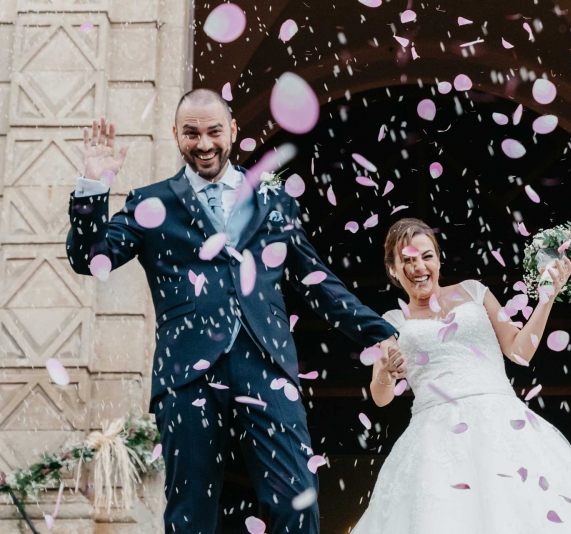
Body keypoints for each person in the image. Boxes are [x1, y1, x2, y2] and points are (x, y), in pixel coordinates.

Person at [65, 89, 404, 534]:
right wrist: (94, 186)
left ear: (233, 132)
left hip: (265, 363)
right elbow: (90, 258)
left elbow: (317, 282)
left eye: (213, 132)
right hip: (187, 371)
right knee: (191, 511)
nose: (203, 144)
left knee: (296, 497)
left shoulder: (273, 199)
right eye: (191, 133)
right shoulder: (153, 203)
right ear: (176, 135)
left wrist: (378, 331)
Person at [351, 218, 571, 534]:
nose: (419, 266)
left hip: (503, 425)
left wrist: (546, 298)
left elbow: (520, 351)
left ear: (437, 259)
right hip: (434, 440)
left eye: (426, 256)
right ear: (392, 269)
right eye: (407, 260)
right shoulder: (391, 321)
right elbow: (380, 397)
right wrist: (384, 371)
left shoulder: (474, 292)